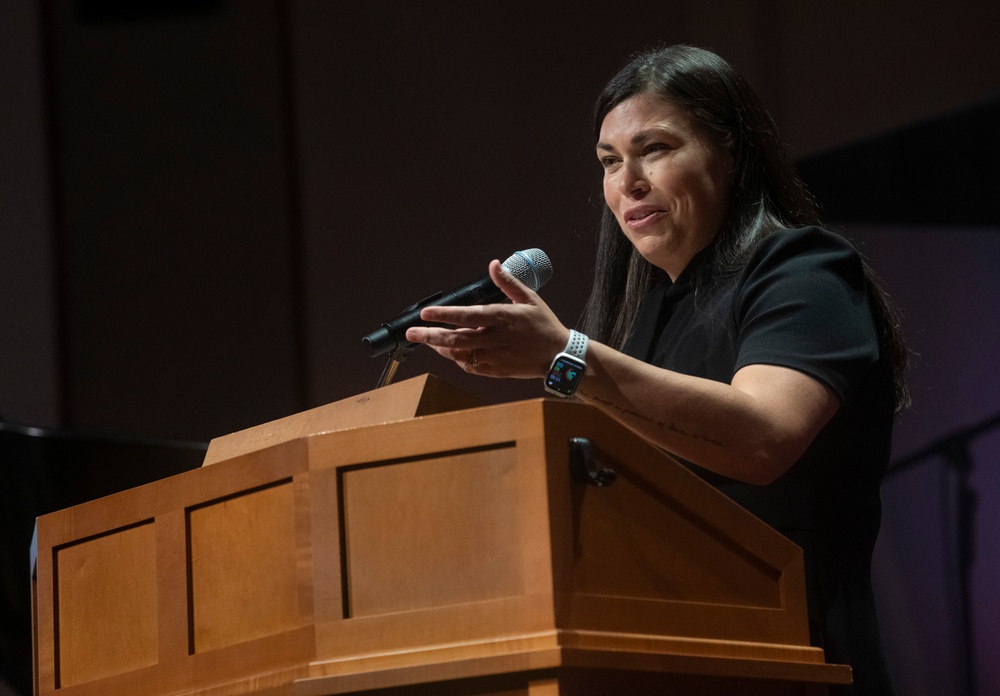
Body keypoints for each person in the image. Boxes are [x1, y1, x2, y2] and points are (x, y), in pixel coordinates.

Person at [405, 44, 907, 696]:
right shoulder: (642, 318)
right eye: (610, 162)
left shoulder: (804, 271)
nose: (628, 182)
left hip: (792, 652)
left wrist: (564, 357)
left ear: (732, 153)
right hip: (657, 651)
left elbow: (762, 437)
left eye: (657, 149)